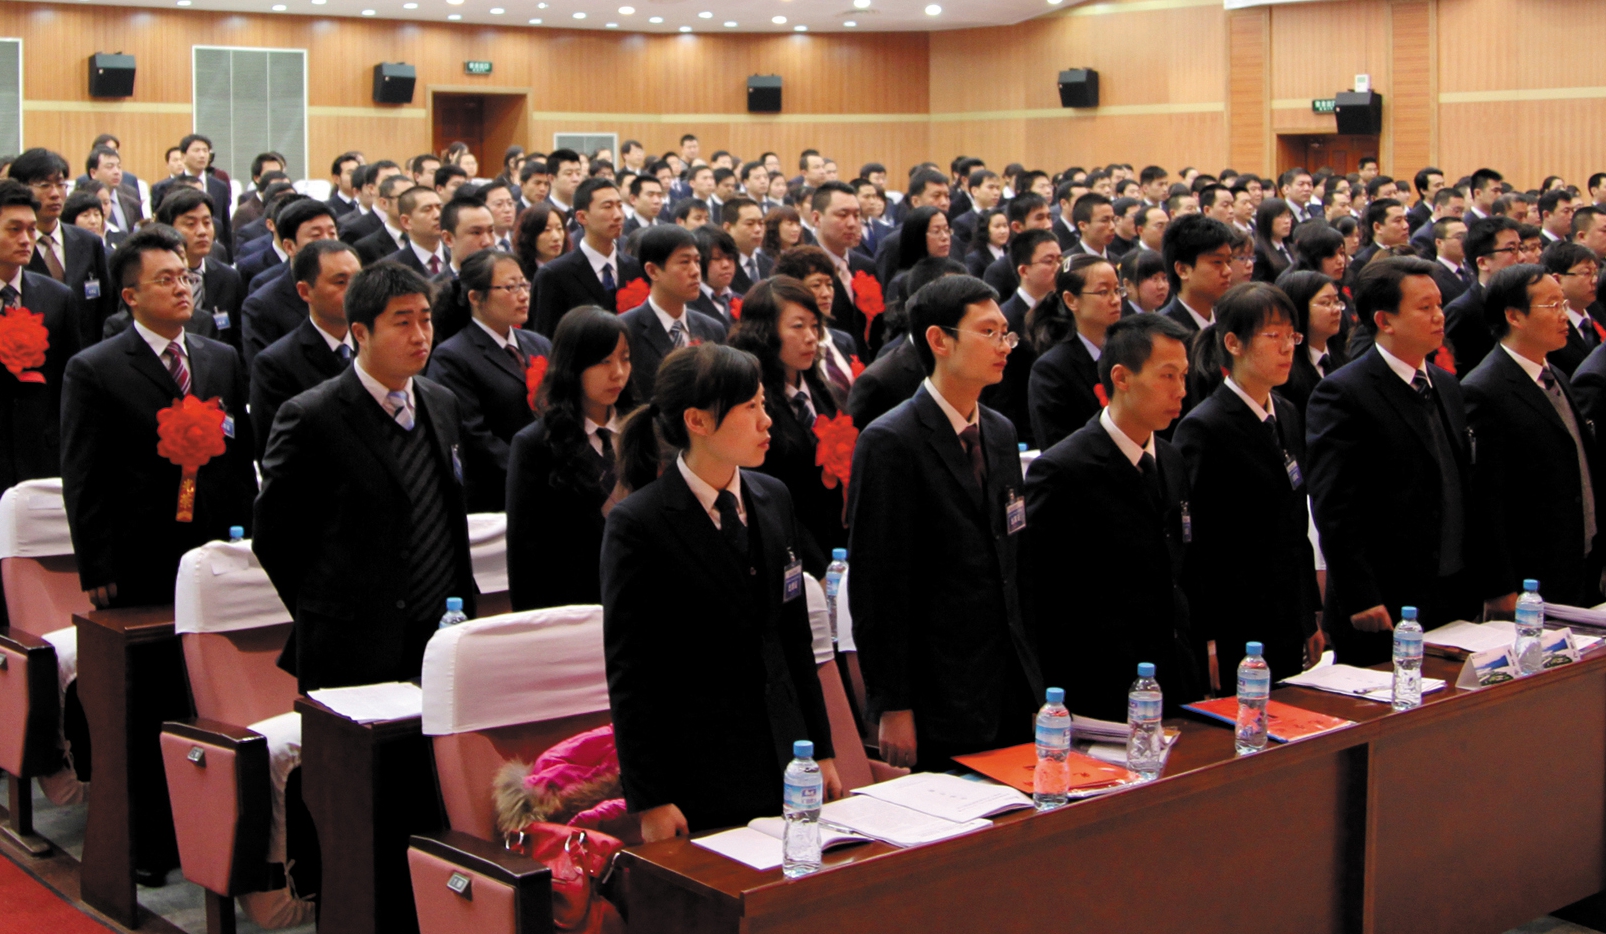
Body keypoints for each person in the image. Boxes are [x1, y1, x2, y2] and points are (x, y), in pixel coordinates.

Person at [603, 343, 839, 839]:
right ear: (698, 421)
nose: (766, 420)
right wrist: (651, 798)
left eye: (763, 404)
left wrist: (821, 749)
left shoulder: (773, 497)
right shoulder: (639, 524)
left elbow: (796, 642)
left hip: (785, 754)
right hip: (701, 771)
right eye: (750, 407)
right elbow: (632, 673)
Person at [847, 275, 1043, 772]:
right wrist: (892, 705)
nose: (1003, 346)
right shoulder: (891, 442)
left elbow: (1014, 561)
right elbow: (877, 588)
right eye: (988, 333)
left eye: (1005, 333)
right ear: (939, 339)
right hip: (937, 691)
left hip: (1009, 683)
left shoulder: (999, 431)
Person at [255, 262, 477, 691]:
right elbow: (274, 536)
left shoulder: (441, 402)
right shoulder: (311, 416)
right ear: (361, 332)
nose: (420, 335)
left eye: (425, 320)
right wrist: (326, 607)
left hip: (441, 628)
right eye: (402, 323)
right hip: (351, 644)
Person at [1306, 256, 1497, 666]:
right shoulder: (1344, 393)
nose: (1439, 316)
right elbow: (1335, 505)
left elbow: (1469, 485)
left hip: (1454, 588)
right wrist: (1361, 594)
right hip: (1386, 600)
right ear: (1384, 320)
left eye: (1439, 304)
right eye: (1424, 307)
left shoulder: (1446, 384)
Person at [62, 226, 257, 608]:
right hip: (140, 550)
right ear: (130, 296)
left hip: (218, 542)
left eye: (184, 277)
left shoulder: (221, 358)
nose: (181, 288)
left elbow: (240, 458)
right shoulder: (95, 369)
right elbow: (84, 476)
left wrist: (249, 537)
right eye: (165, 280)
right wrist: (96, 565)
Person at [1025, 313, 1200, 720]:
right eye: (1167, 376)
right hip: (1100, 687)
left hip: (1175, 677)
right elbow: (1043, 598)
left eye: (1183, 376)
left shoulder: (1171, 459)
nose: (1181, 391)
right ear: (1121, 378)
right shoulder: (1063, 470)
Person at [1175, 283, 1320, 691]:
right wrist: (1208, 639)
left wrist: (1308, 614)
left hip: (1286, 612)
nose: (1287, 348)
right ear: (1233, 343)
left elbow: (1296, 524)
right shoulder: (1204, 427)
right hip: (1236, 619)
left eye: (1291, 335)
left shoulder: (1286, 413)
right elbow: (1199, 547)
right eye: (1272, 336)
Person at [1463, 264, 1603, 607]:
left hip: (1581, 559)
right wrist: (1500, 586)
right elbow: (1486, 499)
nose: (1563, 315)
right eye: (1552, 305)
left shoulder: (1556, 375)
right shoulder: (1484, 389)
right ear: (1514, 316)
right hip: (1533, 573)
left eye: (1563, 304)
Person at [506, 308, 632, 610]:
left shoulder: (641, 431)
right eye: (603, 361)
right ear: (573, 365)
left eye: (625, 358)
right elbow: (525, 553)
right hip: (573, 605)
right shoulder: (536, 445)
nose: (618, 372)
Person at [729, 277, 847, 574]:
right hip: (793, 556)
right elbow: (768, 501)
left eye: (814, 326)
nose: (810, 337)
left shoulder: (820, 390)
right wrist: (816, 567)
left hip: (838, 543)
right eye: (798, 326)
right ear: (766, 333)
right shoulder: (754, 408)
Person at [426, 250, 554, 512]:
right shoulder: (453, 356)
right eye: (510, 287)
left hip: (552, 480)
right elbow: (472, 435)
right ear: (475, 297)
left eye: (524, 285)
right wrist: (528, 471)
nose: (523, 295)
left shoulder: (538, 344)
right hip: (496, 493)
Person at [0, 180, 79, 491]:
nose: (26, 240)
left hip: (42, 454)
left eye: (31, 230)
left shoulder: (57, 297)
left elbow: (68, 383)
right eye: (14, 229)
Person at [249, 240, 359, 460]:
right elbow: (275, 452)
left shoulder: (378, 345)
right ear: (305, 291)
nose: (354, 292)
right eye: (340, 282)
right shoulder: (276, 364)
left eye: (358, 280)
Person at [845, 257, 966, 429]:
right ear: (921, 304)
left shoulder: (971, 362)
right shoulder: (881, 380)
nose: (963, 311)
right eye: (955, 301)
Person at [11, 148, 114, 348]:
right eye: (44, 185)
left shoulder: (88, 242)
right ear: (21, 189)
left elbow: (105, 308)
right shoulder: (15, 247)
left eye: (60, 184)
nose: (55, 194)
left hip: (88, 353)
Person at [618, 225, 727, 401]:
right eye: (684, 262)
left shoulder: (713, 329)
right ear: (653, 271)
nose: (695, 271)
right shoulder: (625, 330)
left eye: (697, 261)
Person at [1026, 254, 1123, 450]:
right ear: (1071, 300)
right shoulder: (1052, 370)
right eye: (1103, 292)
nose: (1115, 300)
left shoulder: (1129, 354)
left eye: (1117, 290)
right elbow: (1057, 447)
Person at [533, 177, 642, 334]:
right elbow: (545, 339)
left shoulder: (636, 269)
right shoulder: (555, 275)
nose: (618, 215)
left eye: (620, 206)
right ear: (582, 217)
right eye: (607, 207)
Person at [1443, 215, 1523, 376]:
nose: (1522, 257)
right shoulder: (1462, 311)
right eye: (1511, 249)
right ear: (1483, 262)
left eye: (1520, 248)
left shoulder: (1523, 299)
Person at [1276, 270, 1347, 416]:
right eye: (1326, 303)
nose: (1336, 310)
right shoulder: (1284, 374)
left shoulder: (1343, 361)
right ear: (1298, 307)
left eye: (1336, 302)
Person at [1159, 213, 1235, 336]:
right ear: (1183, 270)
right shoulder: (1162, 333)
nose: (1228, 271)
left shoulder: (1231, 322)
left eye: (1229, 262)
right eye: (1217, 262)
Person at [1541, 240, 1601, 377]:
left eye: (1595, 273)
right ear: (1557, 279)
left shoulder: (1599, 311)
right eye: (1586, 273)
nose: (1594, 280)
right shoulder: (1549, 326)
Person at [888, 205, 952, 304]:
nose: (945, 237)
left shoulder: (953, 272)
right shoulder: (902, 282)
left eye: (947, 230)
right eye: (936, 231)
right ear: (918, 236)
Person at [1252, 197, 1295, 284]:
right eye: (1280, 216)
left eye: (1288, 216)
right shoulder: (1260, 252)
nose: (1287, 221)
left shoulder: (1292, 247)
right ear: (1267, 219)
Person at [1119, 247, 1169, 315]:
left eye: (1164, 278)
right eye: (1154, 279)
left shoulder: (1168, 315)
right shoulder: (1119, 317)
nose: (1162, 286)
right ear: (1128, 284)